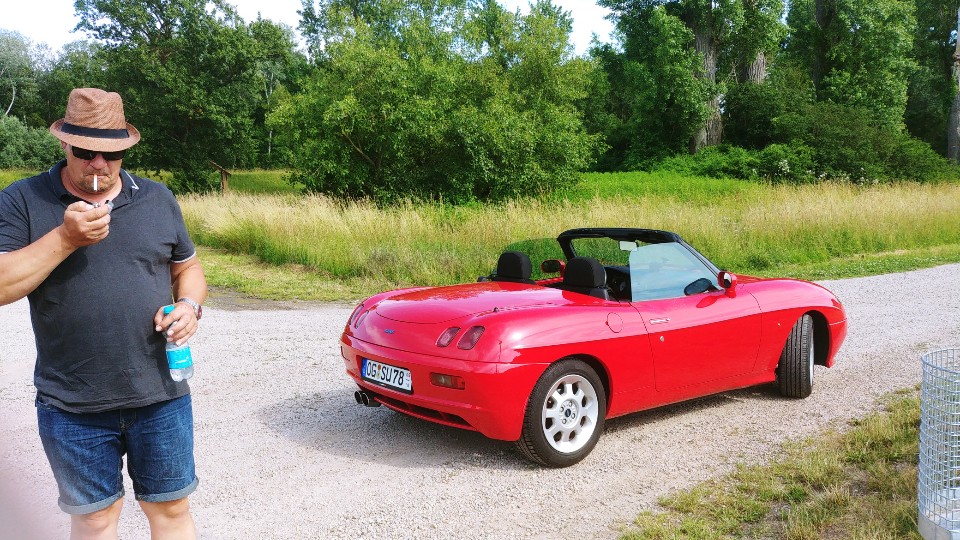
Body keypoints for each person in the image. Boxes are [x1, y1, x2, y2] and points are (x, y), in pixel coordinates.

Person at [0, 87, 207, 539]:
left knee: (171, 511)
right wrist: (66, 238)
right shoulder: (23, 199)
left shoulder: (156, 198)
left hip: (161, 395)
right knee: (94, 521)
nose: (98, 165)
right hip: (72, 403)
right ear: (64, 144)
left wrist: (190, 306)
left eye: (110, 154)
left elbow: (188, 268)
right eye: (85, 151)